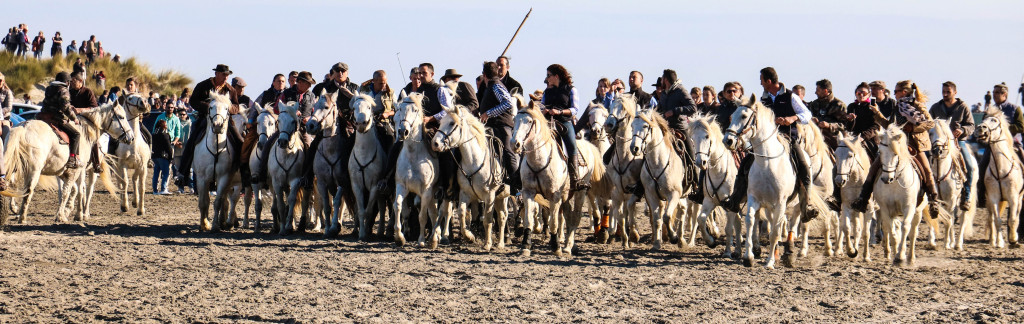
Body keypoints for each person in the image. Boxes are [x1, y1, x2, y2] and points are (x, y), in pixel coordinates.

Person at [722, 67, 813, 214]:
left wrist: (792, 118)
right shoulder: (763, 99)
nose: (760, 83)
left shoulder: (790, 96)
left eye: (761, 80)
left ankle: (807, 204)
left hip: (788, 137)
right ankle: (735, 199)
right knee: (745, 163)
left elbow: (807, 114)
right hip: (767, 139)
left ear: (769, 81)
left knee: (803, 164)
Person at [851, 80, 941, 215]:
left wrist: (913, 128)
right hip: (896, 144)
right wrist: (877, 114)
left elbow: (929, 123)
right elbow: (889, 126)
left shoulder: (917, 106)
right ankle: (863, 199)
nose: (894, 94)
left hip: (915, 145)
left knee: (926, 170)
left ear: (904, 92)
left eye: (896, 91)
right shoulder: (897, 106)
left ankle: (934, 201)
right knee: (874, 167)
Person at [175, 64, 242, 185]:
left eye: (227, 75)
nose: (226, 77)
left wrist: (227, 108)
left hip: (226, 120)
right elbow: (193, 101)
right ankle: (182, 173)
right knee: (192, 139)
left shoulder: (230, 90)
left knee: (239, 141)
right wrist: (208, 107)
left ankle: (243, 172)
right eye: (224, 74)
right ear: (216, 74)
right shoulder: (203, 85)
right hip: (205, 118)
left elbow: (237, 107)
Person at [928, 81, 975, 210]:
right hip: (938, 143)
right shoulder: (935, 107)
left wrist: (963, 130)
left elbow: (971, 125)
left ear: (955, 92)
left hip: (957, 142)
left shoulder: (963, 107)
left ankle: (966, 195)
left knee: (969, 165)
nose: (945, 94)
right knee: (924, 162)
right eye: (943, 91)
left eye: (948, 92)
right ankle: (924, 193)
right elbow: (928, 124)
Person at [540, 64, 587, 191]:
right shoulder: (547, 91)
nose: (547, 78)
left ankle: (575, 179)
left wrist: (559, 112)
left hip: (564, 122)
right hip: (547, 122)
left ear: (556, 76)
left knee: (571, 145)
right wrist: (543, 110)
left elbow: (574, 109)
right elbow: (542, 105)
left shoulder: (571, 89)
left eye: (549, 75)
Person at [475, 61, 518, 193]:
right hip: (491, 126)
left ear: (484, 74)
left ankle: (516, 185)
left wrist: (488, 113)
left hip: (502, 124)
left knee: (508, 151)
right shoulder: (490, 86)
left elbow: (508, 103)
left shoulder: (495, 86)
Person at [39, 72, 82, 169]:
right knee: (76, 134)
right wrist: (74, 118)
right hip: (56, 118)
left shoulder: (49, 88)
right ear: (67, 82)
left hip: (43, 115)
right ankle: (72, 159)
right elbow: (65, 108)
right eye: (69, 82)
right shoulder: (64, 90)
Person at [844, 82, 883, 157]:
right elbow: (849, 128)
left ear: (869, 94)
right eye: (859, 93)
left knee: (878, 160)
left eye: (864, 93)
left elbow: (876, 127)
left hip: (870, 139)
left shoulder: (873, 107)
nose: (861, 95)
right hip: (854, 138)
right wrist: (850, 120)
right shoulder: (852, 106)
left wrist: (862, 137)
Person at [808, 79, 847, 149]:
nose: (815, 92)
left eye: (818, 90)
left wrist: (828, 125)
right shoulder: (814, 104)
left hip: (833, 138)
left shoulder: (839, 105)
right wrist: (812, 120)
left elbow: (844, 125)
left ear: (825, 91)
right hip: (815, 135)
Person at [151, 120, 174, 195]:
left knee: (156, 173)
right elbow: (168, 148)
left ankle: (155, 190)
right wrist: (171, 158)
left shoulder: (154, 134)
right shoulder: (165, 135)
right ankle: (163, 188)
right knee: (165, 173)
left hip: (155, 156)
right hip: (163, 156)